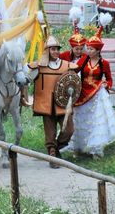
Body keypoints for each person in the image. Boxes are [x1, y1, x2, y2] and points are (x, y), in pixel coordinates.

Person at [69, 13, 115, 158]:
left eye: (91, 49)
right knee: (79, 119)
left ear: (98, 50)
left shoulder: (104, 64)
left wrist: (106, 85)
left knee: (95, 121)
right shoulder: (83, 60)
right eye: (88, 48)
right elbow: (73, 70)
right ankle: (77, 147)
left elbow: (109, 79)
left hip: (96, 95)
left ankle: (95, 148)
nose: (88, 51)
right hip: (82, 93)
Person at [27, 35, 78, 168]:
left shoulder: (67, 66)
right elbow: (26, 80)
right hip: (46, 105)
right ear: (47, 51)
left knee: (69, 130)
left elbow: (74, 82)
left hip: (63, 105)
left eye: (57, 49)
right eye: (53, 49)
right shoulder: (39, 66)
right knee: (50, 134)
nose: (56, 52)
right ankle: (52, 154)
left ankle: (57, 148)